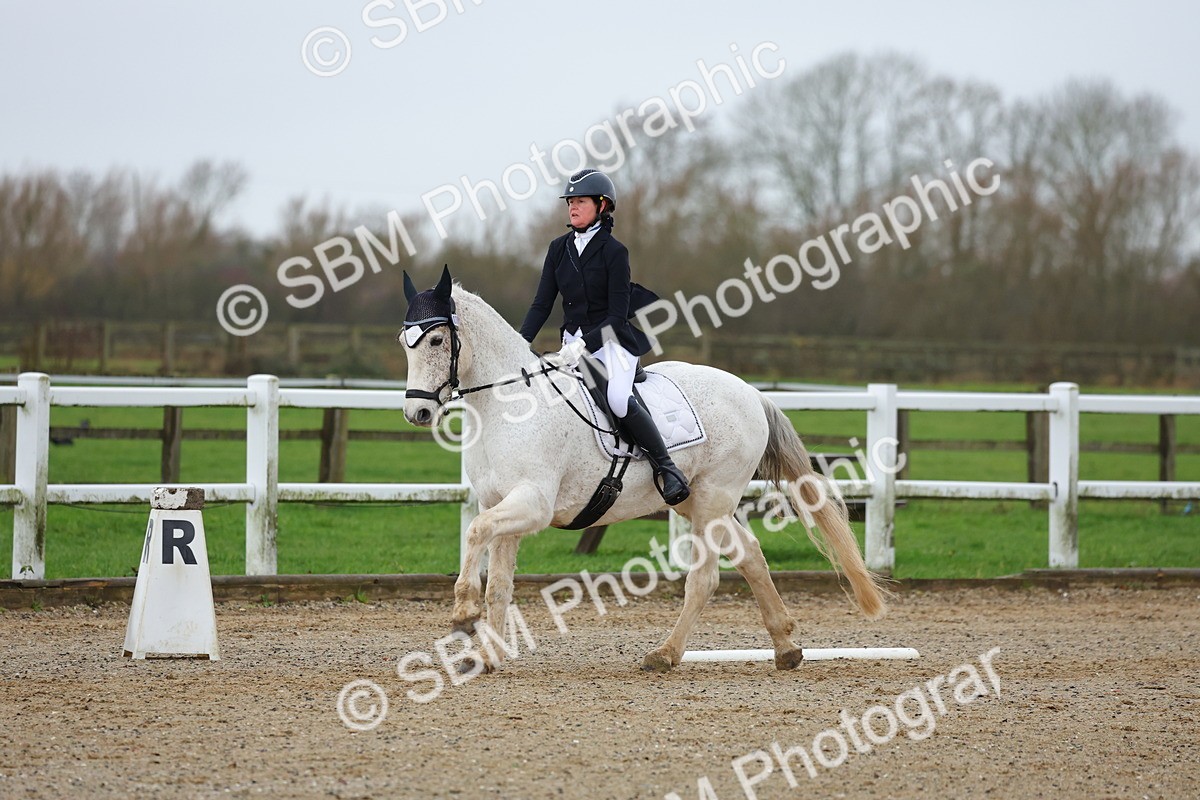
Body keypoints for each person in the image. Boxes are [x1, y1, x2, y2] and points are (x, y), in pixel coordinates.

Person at [519, 169, 690, 505]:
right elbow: (541, 304)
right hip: (572, 348)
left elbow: (616, 315)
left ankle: (667, 469)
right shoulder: (558, 249)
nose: (572, 207)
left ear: (602, 205)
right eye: (570, 202)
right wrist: (519, 341)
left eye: (580, 201)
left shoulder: (614, 252)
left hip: (613, 345)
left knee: (615, 399)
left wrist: (585, 344)